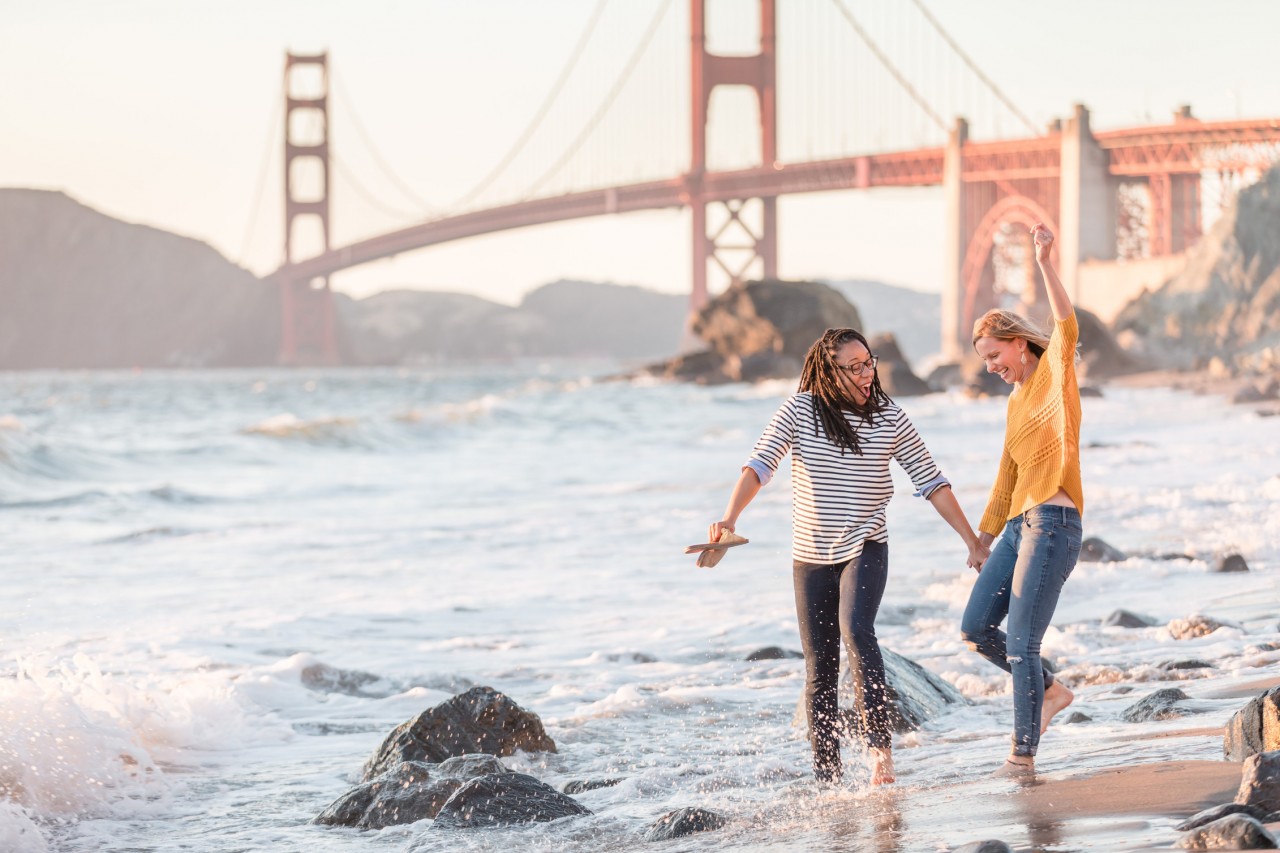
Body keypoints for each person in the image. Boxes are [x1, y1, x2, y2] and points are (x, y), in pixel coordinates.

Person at [706, 328, 989, 786]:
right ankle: (828, 777)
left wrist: (972, 541)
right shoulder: (799, 411)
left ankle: (880, 754)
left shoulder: (890, 418)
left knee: (857, 630)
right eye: (853, 367)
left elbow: (932, 481)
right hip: (810, 555)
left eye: (869, 362)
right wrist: (729, 518)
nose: (866, 373)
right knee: (820, 668)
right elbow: (761, 464)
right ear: (828, 371)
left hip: (866, 543)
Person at [961, 223, 1084, 776]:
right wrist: (981, 539)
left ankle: (1022, 757)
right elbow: (1006, 477)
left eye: (995, 355)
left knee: (1022, 645)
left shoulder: (1056, 374)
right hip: (1016, 526)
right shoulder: (1013, 403)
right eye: (985, 360)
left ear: (1018, 342)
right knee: (976, 628)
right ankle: (1052, 693)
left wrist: (1044, 262)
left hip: (1054, 522)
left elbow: (1065, 323)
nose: (992, 367)